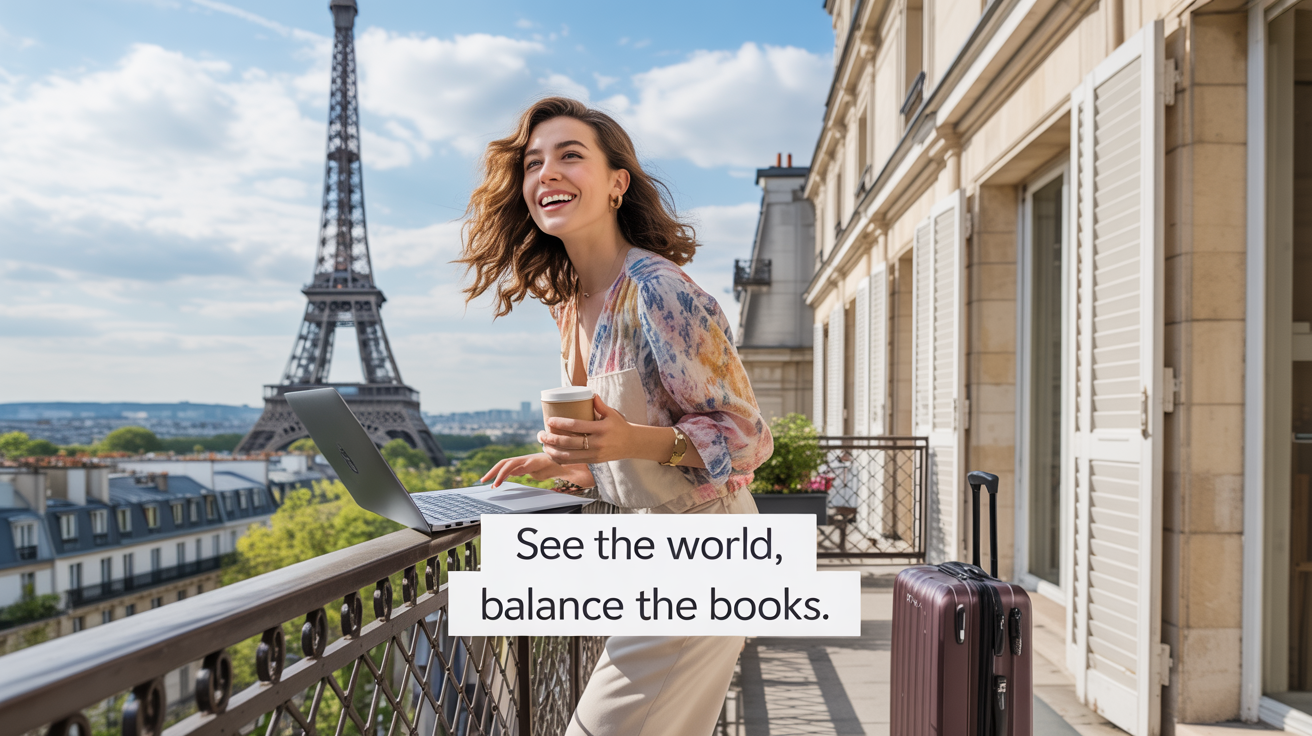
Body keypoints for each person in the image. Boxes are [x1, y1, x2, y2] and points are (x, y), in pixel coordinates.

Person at [458, 96, 774, 736]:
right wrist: (572, 460)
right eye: (532, 162)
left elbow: (747, 441)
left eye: (571, 156)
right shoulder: (570, 302)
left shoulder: (659, 290)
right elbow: (634, 439)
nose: (547, 172)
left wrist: (627, 437)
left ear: (616, 184)